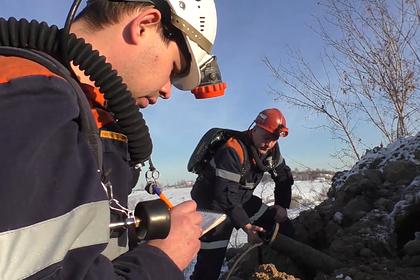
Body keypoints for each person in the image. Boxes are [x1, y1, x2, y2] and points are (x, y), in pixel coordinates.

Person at [0, 0, 224, 279]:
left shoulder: (89, 115)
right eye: (174, 69)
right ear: (145, 26)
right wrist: (161, 260)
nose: (167, 90)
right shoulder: (31, 99)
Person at [190, 108, 295, 280]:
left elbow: (284, 176)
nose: (269, 144)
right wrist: (246, 226)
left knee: (282, 226)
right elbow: (224, 194)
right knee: (209, 267)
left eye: (274, 139)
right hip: (214, 207)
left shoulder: (272, 151)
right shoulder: (233, 150)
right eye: (266, 137)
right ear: (255, 129)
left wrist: (282, 206)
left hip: (242, 200)